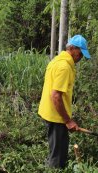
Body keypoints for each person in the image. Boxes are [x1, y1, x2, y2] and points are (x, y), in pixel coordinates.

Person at [38, 35, 91, 169]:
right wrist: (68, 121)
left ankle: (50, 166)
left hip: (50, 113)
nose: (81, 57)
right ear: (72, 48)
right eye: (80, 53)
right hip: (56, 117)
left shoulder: (56, 61)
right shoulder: (64, 67)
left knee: (56, 150)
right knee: (58, 157)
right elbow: (56, 96)